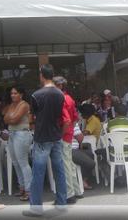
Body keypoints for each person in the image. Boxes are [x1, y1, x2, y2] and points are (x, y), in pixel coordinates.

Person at [23, 64, 66, 217]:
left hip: (42, 136)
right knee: (59, 170)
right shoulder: (60, 94)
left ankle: (36, 207)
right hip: (56, 135)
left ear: (42, 75)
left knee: (38, 173)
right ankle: (62, 203)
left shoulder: (36, 95)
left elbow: (33, 116)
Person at [3, 86, 32, 201]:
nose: (13, 95)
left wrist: (11, 117)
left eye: (15, 93)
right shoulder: (11, 105)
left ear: (21, 94)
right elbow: (5, 119)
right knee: (15, 162)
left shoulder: (24, 105)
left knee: (23, 163)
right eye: (11, 93)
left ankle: (29, 190)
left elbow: (15, 119)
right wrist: (11, 117)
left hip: (21, 134)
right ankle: (22, 187)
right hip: (12, 133)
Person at [53, 76, 79, 205]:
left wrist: (60, 134)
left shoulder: (60, 99)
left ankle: (69, 194)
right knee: (69, 164)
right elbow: (75, 118)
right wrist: (70, 131)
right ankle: (77, 190)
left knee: (65, 165)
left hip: (63, 135)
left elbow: (67, 120)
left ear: (60, 86)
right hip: (68, 134)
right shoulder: (69, 98)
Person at [71, 122, 96, 192]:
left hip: (74, 148)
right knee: (91, 163)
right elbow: (80, 137)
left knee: (89, 153)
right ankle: (82, 180)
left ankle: (84, 177)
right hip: (71, 150)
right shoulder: (70, 120)